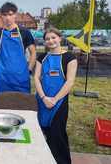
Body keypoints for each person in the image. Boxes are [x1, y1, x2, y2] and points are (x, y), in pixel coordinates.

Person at [34, 27, 77, 164]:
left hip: (59, 103)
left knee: (57, 134)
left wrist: (54, 100)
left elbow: (70, 82)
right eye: (47, 39)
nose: (50, 41)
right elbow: (36, 78)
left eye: (53, 37)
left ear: (60, 38)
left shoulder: (70, 58)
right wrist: (43, 98)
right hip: (42, 101)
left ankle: (61, 161)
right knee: (42, 132)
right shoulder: (42, 58)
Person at [0, 2, 36, 93]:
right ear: (1, 16)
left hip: (21, 77)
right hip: (2, 77)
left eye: (10, 14)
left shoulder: (25, 32)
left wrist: (29, 69)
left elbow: (33, 52)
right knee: (2, 103)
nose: (7, 18)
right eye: (5, 15)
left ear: (15, 15)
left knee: (23, 103)